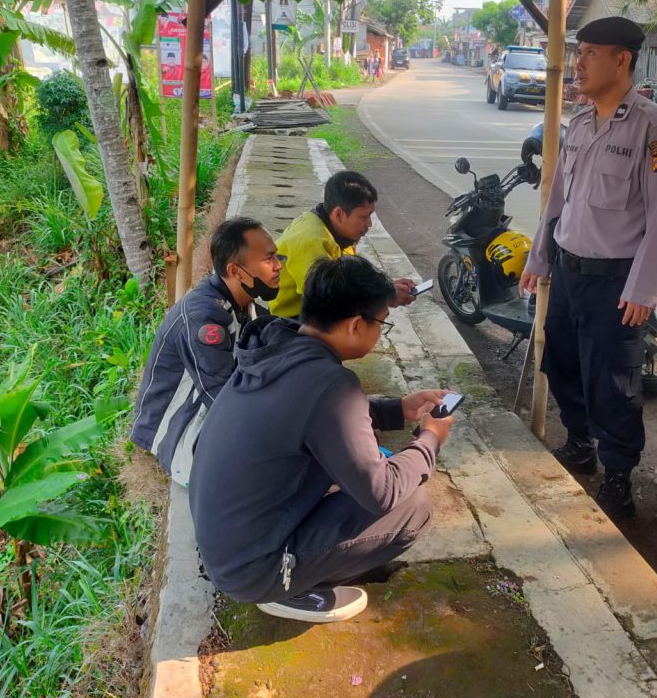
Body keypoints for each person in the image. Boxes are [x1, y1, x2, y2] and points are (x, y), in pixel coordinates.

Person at [189, 256, 454, 623]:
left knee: (360, 468)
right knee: (414, 504)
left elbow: (313, 414)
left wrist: (398, 409)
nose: (380, 334)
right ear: (356, 325)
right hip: (254, 570)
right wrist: (430, 438)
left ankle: (290, 572)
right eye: (381, 324)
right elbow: (384, 491)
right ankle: (289, 589)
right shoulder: (330, 385)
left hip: (226, 545)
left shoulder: (275, 345)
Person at [519, 16, 657, 519]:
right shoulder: (582, 123)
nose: (579, 62)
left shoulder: (653, 126)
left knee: (611, 380)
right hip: (568, 271)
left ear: (621, 60)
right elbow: (558, 200)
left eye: (590, 52)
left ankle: (617, 477)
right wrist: (539, 256)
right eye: (579, 51)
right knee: (562, 362)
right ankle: (579, 445)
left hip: (616, 281)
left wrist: (645, 288)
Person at [131, 217, 282, 486]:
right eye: (269, 259)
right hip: (179, 431)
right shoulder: (205, 320)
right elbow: (223, 401)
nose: (278, 266)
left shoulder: (243, 302)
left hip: (209, 410)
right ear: (236, 271)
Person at [269, 170, 414, 318]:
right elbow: (329, 299)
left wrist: (385, 287)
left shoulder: (338, 230)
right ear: (339, 214)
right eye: (363, 217)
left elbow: (347, 277)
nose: (369, 224)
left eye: (370, 216)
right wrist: (384, 297)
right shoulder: (312, 241)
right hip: (292, 321)